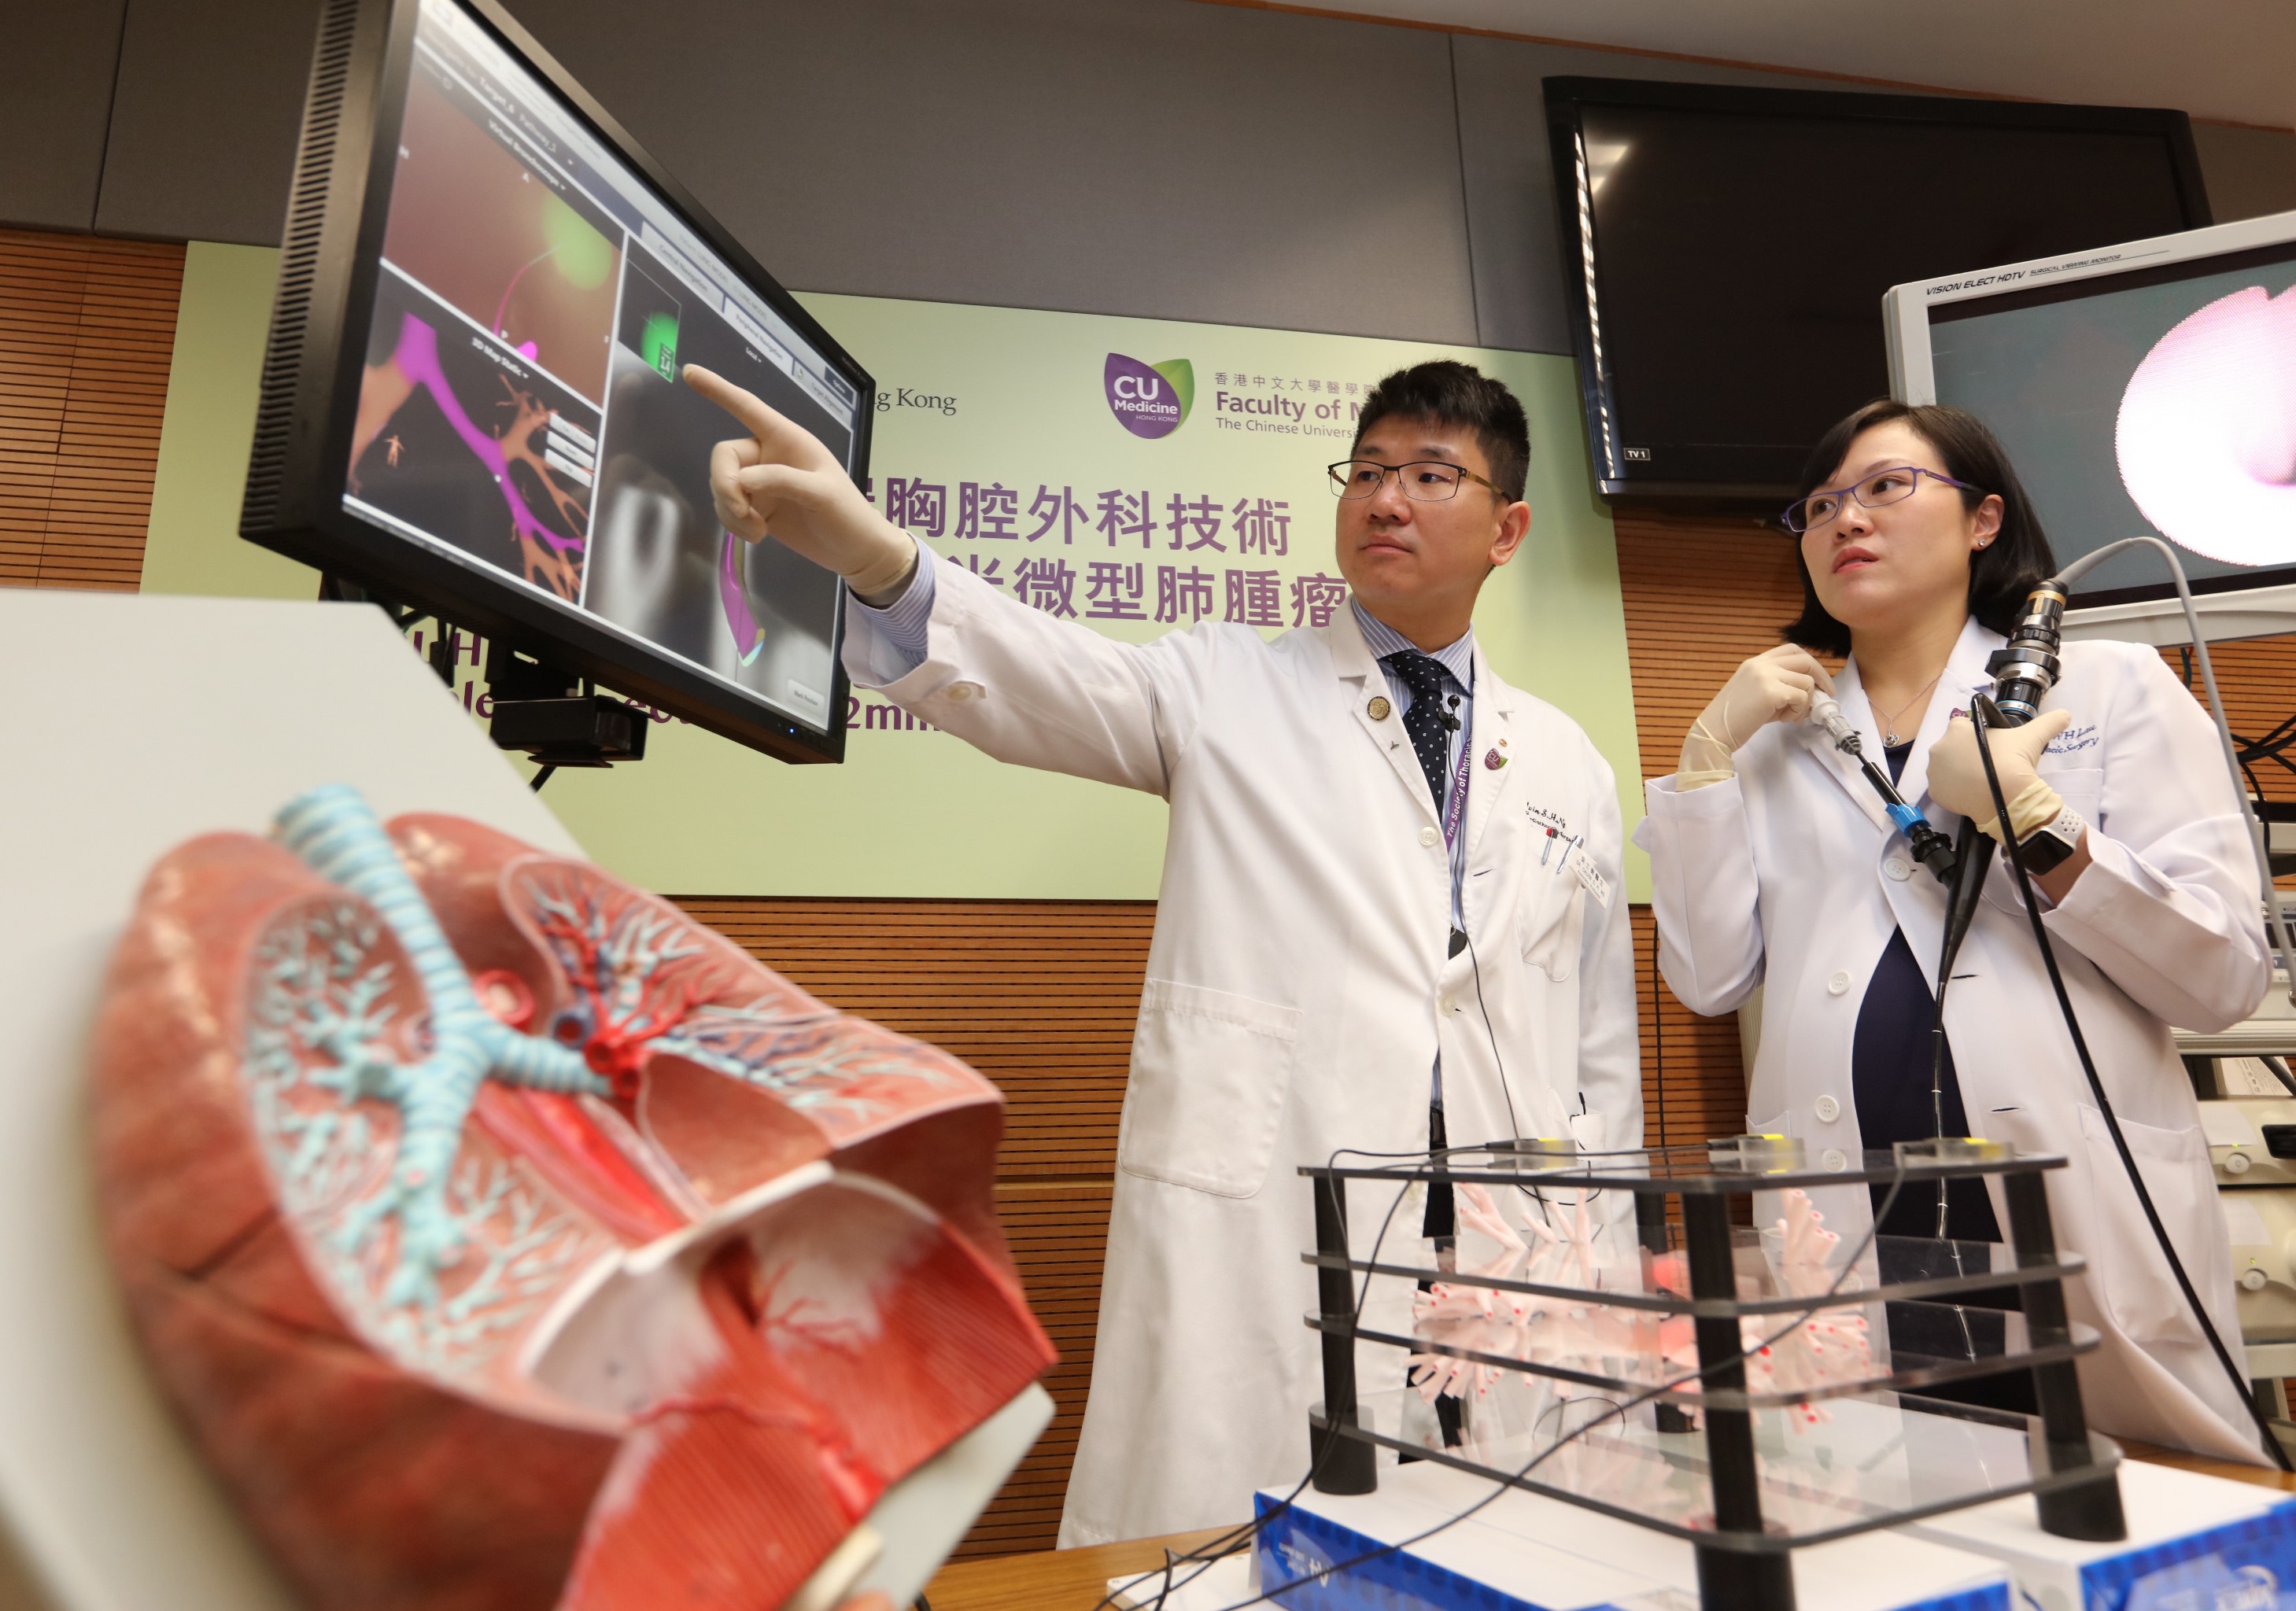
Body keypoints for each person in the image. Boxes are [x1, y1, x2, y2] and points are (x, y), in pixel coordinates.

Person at [685, 359, 1641, 1543]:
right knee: (1229, 1552)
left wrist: (1603, 1275)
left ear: (1507, 529)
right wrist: (876, 557)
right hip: (1276, 1224)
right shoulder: (1223, 684)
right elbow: (1042, 677)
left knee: (1505, 1550)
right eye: (1369, 471)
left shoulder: (1566, 763)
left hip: (1502, 1252)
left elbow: (1602, 1055)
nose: (1387, 499)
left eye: (1432, 474)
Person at [1633, 397, 2272, 1462]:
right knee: (1887, 1504)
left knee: (2115, 1496)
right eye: (1819, 506)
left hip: (2061, 1194)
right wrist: (1703, 766)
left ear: (1982, 521)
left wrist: (2037, 823)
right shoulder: (1773, 742)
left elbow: (2222, 976)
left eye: (1885, 487)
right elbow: (1707, 979)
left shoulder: (2105, 686)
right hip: (1847, 1203)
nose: (1845, 520)